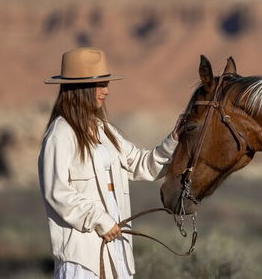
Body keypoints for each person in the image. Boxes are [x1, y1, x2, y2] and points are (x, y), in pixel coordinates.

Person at [38, 47, 180, 279]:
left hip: (117, 244)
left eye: (107, 84)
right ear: (80, 89)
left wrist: (173, 141)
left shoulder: (105, 130)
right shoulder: (60, 133)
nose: (107, 91)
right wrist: (101, 220)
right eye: (100, 85)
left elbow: (142, 165)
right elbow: (58, 193)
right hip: (82, 253)